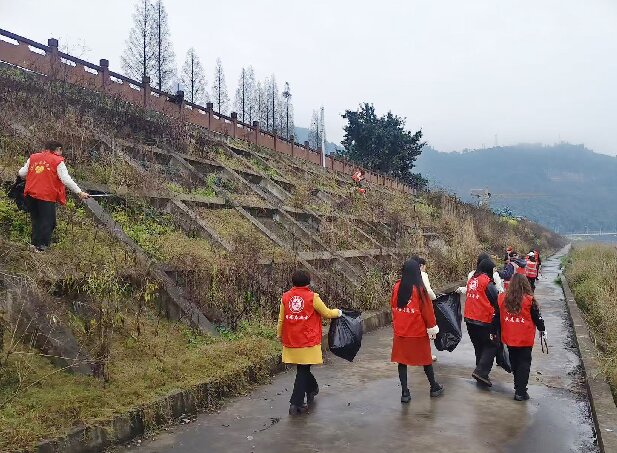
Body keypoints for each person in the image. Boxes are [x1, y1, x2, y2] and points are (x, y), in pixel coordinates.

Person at [277, 269, 342, 415]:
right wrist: (338, 312)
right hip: (308, 340)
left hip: (291, 339)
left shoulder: (285, 297)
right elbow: (326, 313)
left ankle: (312, 389)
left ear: (293, 282)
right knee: (303, 369)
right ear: (308, 282)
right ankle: (296, 403)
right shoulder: (313, 297)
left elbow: (281, 319)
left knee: (303, 368)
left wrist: (279, 335)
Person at [17, 141, 89, 251]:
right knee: (49, 222)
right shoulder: (57, 160)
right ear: (58, 149)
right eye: (61, 150)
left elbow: (22, 173)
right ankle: (41, 247)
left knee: (36, 220)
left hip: (31, 194)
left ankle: (34, 245)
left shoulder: (34, 157)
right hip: (46, 196)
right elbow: (66, 179)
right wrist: (79, 192)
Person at [390, 259, 444, 402]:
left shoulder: (397, 287)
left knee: (402, 362)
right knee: (426, 359)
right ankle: (434, 387)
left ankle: (405, 393)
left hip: (401, 331)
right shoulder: (420, 289)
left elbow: (393, 306)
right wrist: (432, 328)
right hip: (417, 331)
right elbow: (427, 311)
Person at [498, 273, 547, 401]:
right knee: (524, 363)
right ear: (525, 284)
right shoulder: (529, 300)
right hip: (525, 338)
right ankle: (521, 391)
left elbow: (497, 317)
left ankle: (517, 386)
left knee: (514, 362)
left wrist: (494, 331)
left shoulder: (502, 298)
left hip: (509, 337)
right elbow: (537, 318)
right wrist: (542, 328)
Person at [464, 258, 500, 386]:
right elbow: (496, 300)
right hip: (483, 320)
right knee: (492, 345)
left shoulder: (472, 280)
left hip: (469, 320)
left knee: (478, 346)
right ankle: (481, 372)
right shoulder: (487, 282)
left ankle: (480, 372)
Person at [414, 256, 438, 361]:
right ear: (421, 266)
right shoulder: (423, 275)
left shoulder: (409, 276)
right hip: (423, 304)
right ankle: (426, 355)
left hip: (413, 306)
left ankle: (416, 353)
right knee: (426, 330)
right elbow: (428, 291)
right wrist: (434, 298)